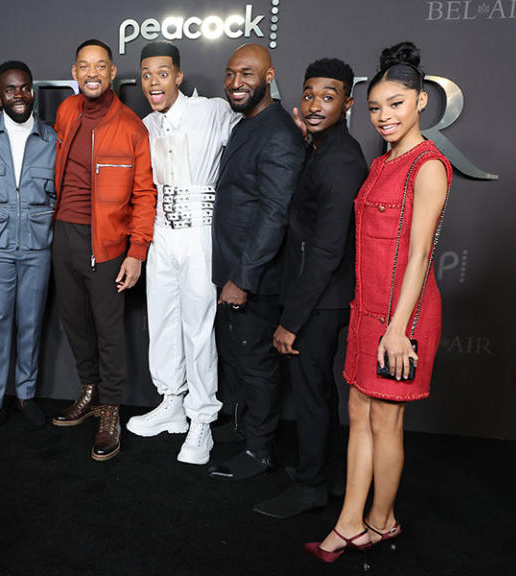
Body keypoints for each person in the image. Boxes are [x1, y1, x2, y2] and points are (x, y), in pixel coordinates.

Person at [304, 42, 452, 562]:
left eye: (396, 104)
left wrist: (397, 328)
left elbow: (419, 256)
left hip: (401, 317)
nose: (384, 116)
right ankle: (350, 521)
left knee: (386, 420)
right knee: (358, 410)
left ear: (421, 104)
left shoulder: (427, 166)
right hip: (366, 309)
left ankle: (381, 521)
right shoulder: (381, 161)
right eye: (375, 107)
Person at [252, 58, 368, 518]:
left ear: (348, 103)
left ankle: (311, 486)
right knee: (317, 392)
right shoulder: (322, 147)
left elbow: (325, 252)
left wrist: (290, 322)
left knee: (311, 394)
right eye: (309, 94)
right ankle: (327, 475)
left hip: (319, 301)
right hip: (319, 295)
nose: (316, 105)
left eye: (328, 96)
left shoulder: (340, 161)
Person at [126, 41, 238, 465]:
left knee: (198, 327)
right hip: (161, 232)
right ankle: (171, 402)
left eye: (162, 73)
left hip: (200, 232)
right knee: (163, 322)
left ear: (178, 75)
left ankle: (202, 419)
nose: (154, 82)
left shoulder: (211, 111)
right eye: (147, 74)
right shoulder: (146, 124)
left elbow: (248, 144)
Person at [50, 39, 155, 461]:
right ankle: (89, 390)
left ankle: (110, 407)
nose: (91, 73)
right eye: (84, 66)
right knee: (73, 321)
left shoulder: (132, 126)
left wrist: (136, 252)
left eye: (100, 66)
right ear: (74, 73)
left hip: (108, 243)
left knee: (110, 331)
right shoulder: (66, 111)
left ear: (113, 73)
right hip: (64, 234)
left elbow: (146, 195)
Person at [208, 44, 305, 479]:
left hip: (256, 280)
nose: (235, 83)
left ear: (269, 76)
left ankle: (260, 452)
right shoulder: (250, 123)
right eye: (230, 74)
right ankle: (249, 433)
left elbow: (274, 215)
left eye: (246, 74)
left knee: (256, 364)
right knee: (239, 359)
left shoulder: (279, 133)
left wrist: (242, 279)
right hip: (233, 270)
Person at [0, 61, 56, 441]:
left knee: (32, 323)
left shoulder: (53, 139)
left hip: (38, 246)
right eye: (10, 89)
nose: (19, 95)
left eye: (25, 88)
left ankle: (26, 395)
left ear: (32, 92)